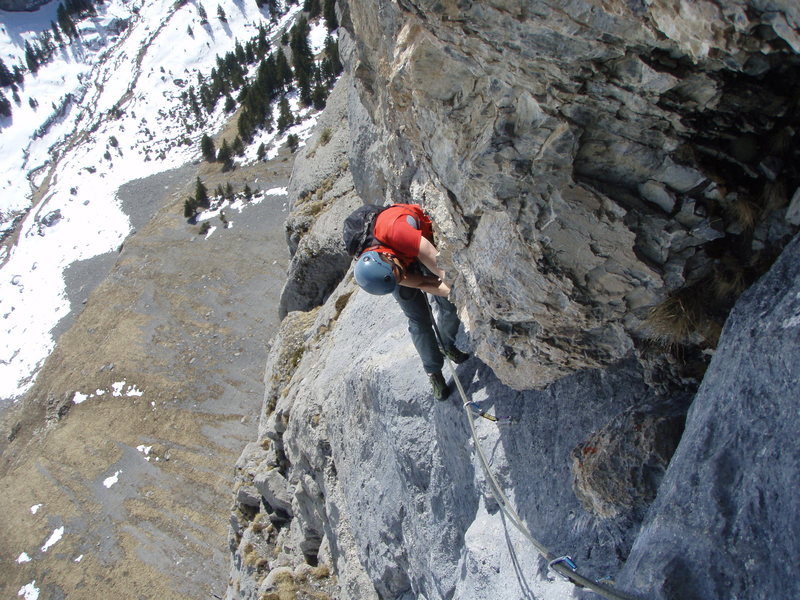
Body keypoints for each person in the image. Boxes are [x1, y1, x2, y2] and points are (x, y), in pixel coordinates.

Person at [345, 203, 470, 399]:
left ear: (387, 257)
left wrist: (456, 293)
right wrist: (401, 276)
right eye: (399, 275)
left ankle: (445, 345)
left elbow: (439, 268)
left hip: (417, 246)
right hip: (392, 263)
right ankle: (434, 372)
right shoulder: (387, 272)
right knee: (418, 319)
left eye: (400, 272)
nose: (404, 275)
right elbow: (420, 282)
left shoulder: (396, 229)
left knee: (449, 305)